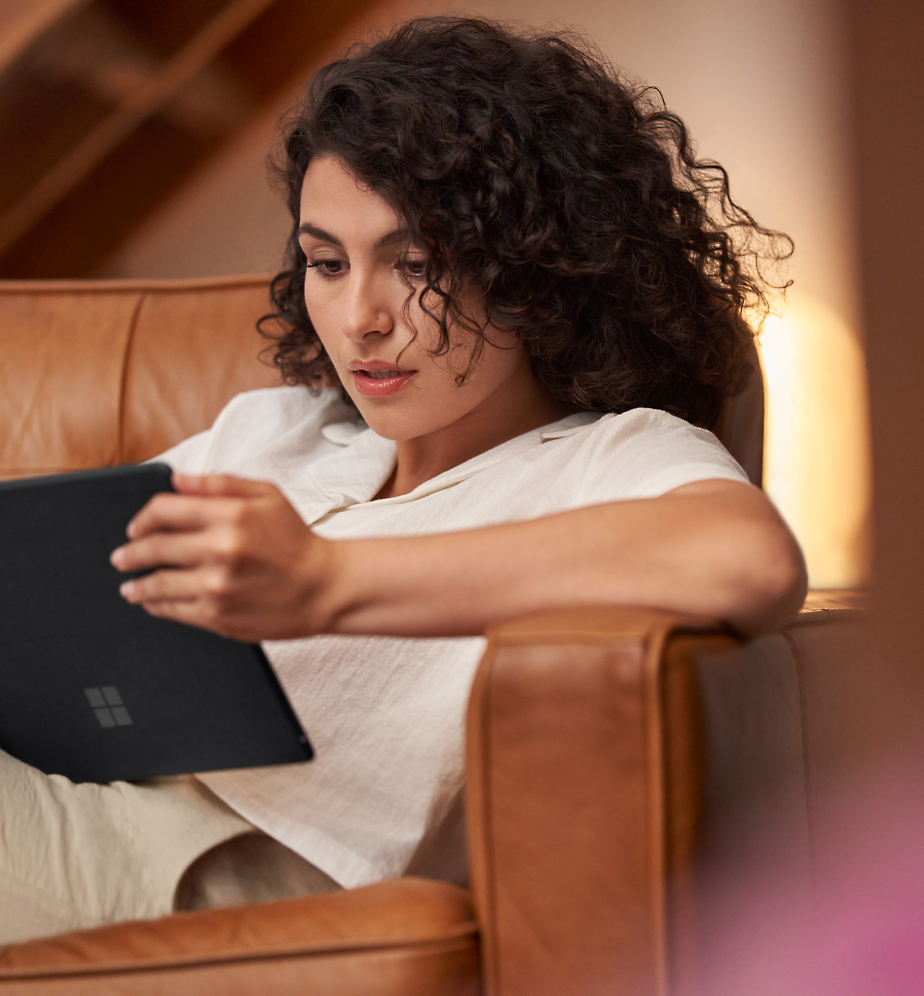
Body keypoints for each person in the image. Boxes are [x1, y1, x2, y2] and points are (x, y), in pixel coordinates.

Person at [0, 15, 804, 942]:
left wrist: (326, 582)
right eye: (326, 264)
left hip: (214, 870)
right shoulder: (276, 432)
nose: (360, 319)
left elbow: (747, 560)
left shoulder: (604, 457)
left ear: (539, 269)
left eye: (415, 263)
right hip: (78, 788)